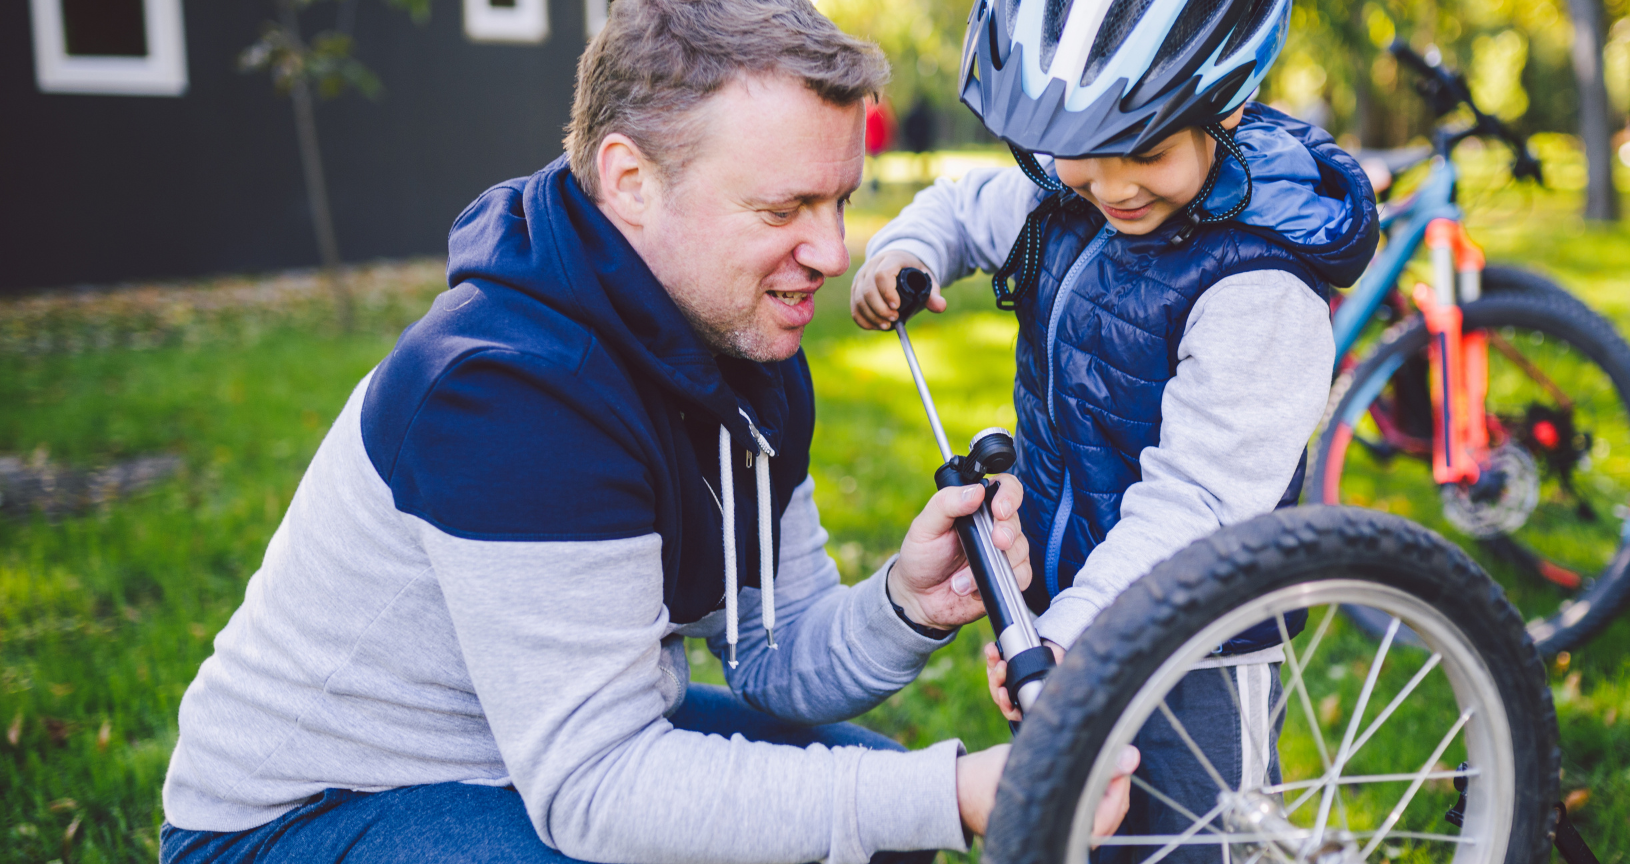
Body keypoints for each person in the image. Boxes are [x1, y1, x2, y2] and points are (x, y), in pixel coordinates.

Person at [158, 1, 1133, 862]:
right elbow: (600, 792)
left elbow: (777, 657)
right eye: (784, 207)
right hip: (304, 817)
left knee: (876, 834)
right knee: (888, 808)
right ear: (628, 181)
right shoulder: (506, 393)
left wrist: (906, 603)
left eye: (839, 201)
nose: (833, 254)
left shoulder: (743, 337)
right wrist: (954, 794)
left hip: (528, 752)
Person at [849, 0, 1379, 857]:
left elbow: (1201, 502)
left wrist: (1069, 635)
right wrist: (907, 253)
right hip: (1065, 622)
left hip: (1196, 645)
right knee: (1080, 828)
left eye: (1149, 154)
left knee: (1197, 840)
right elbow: (961, 206)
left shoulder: (1260, 290)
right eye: (1084, 160)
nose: (1115, 187)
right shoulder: (1068, 190)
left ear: (1227, 109)